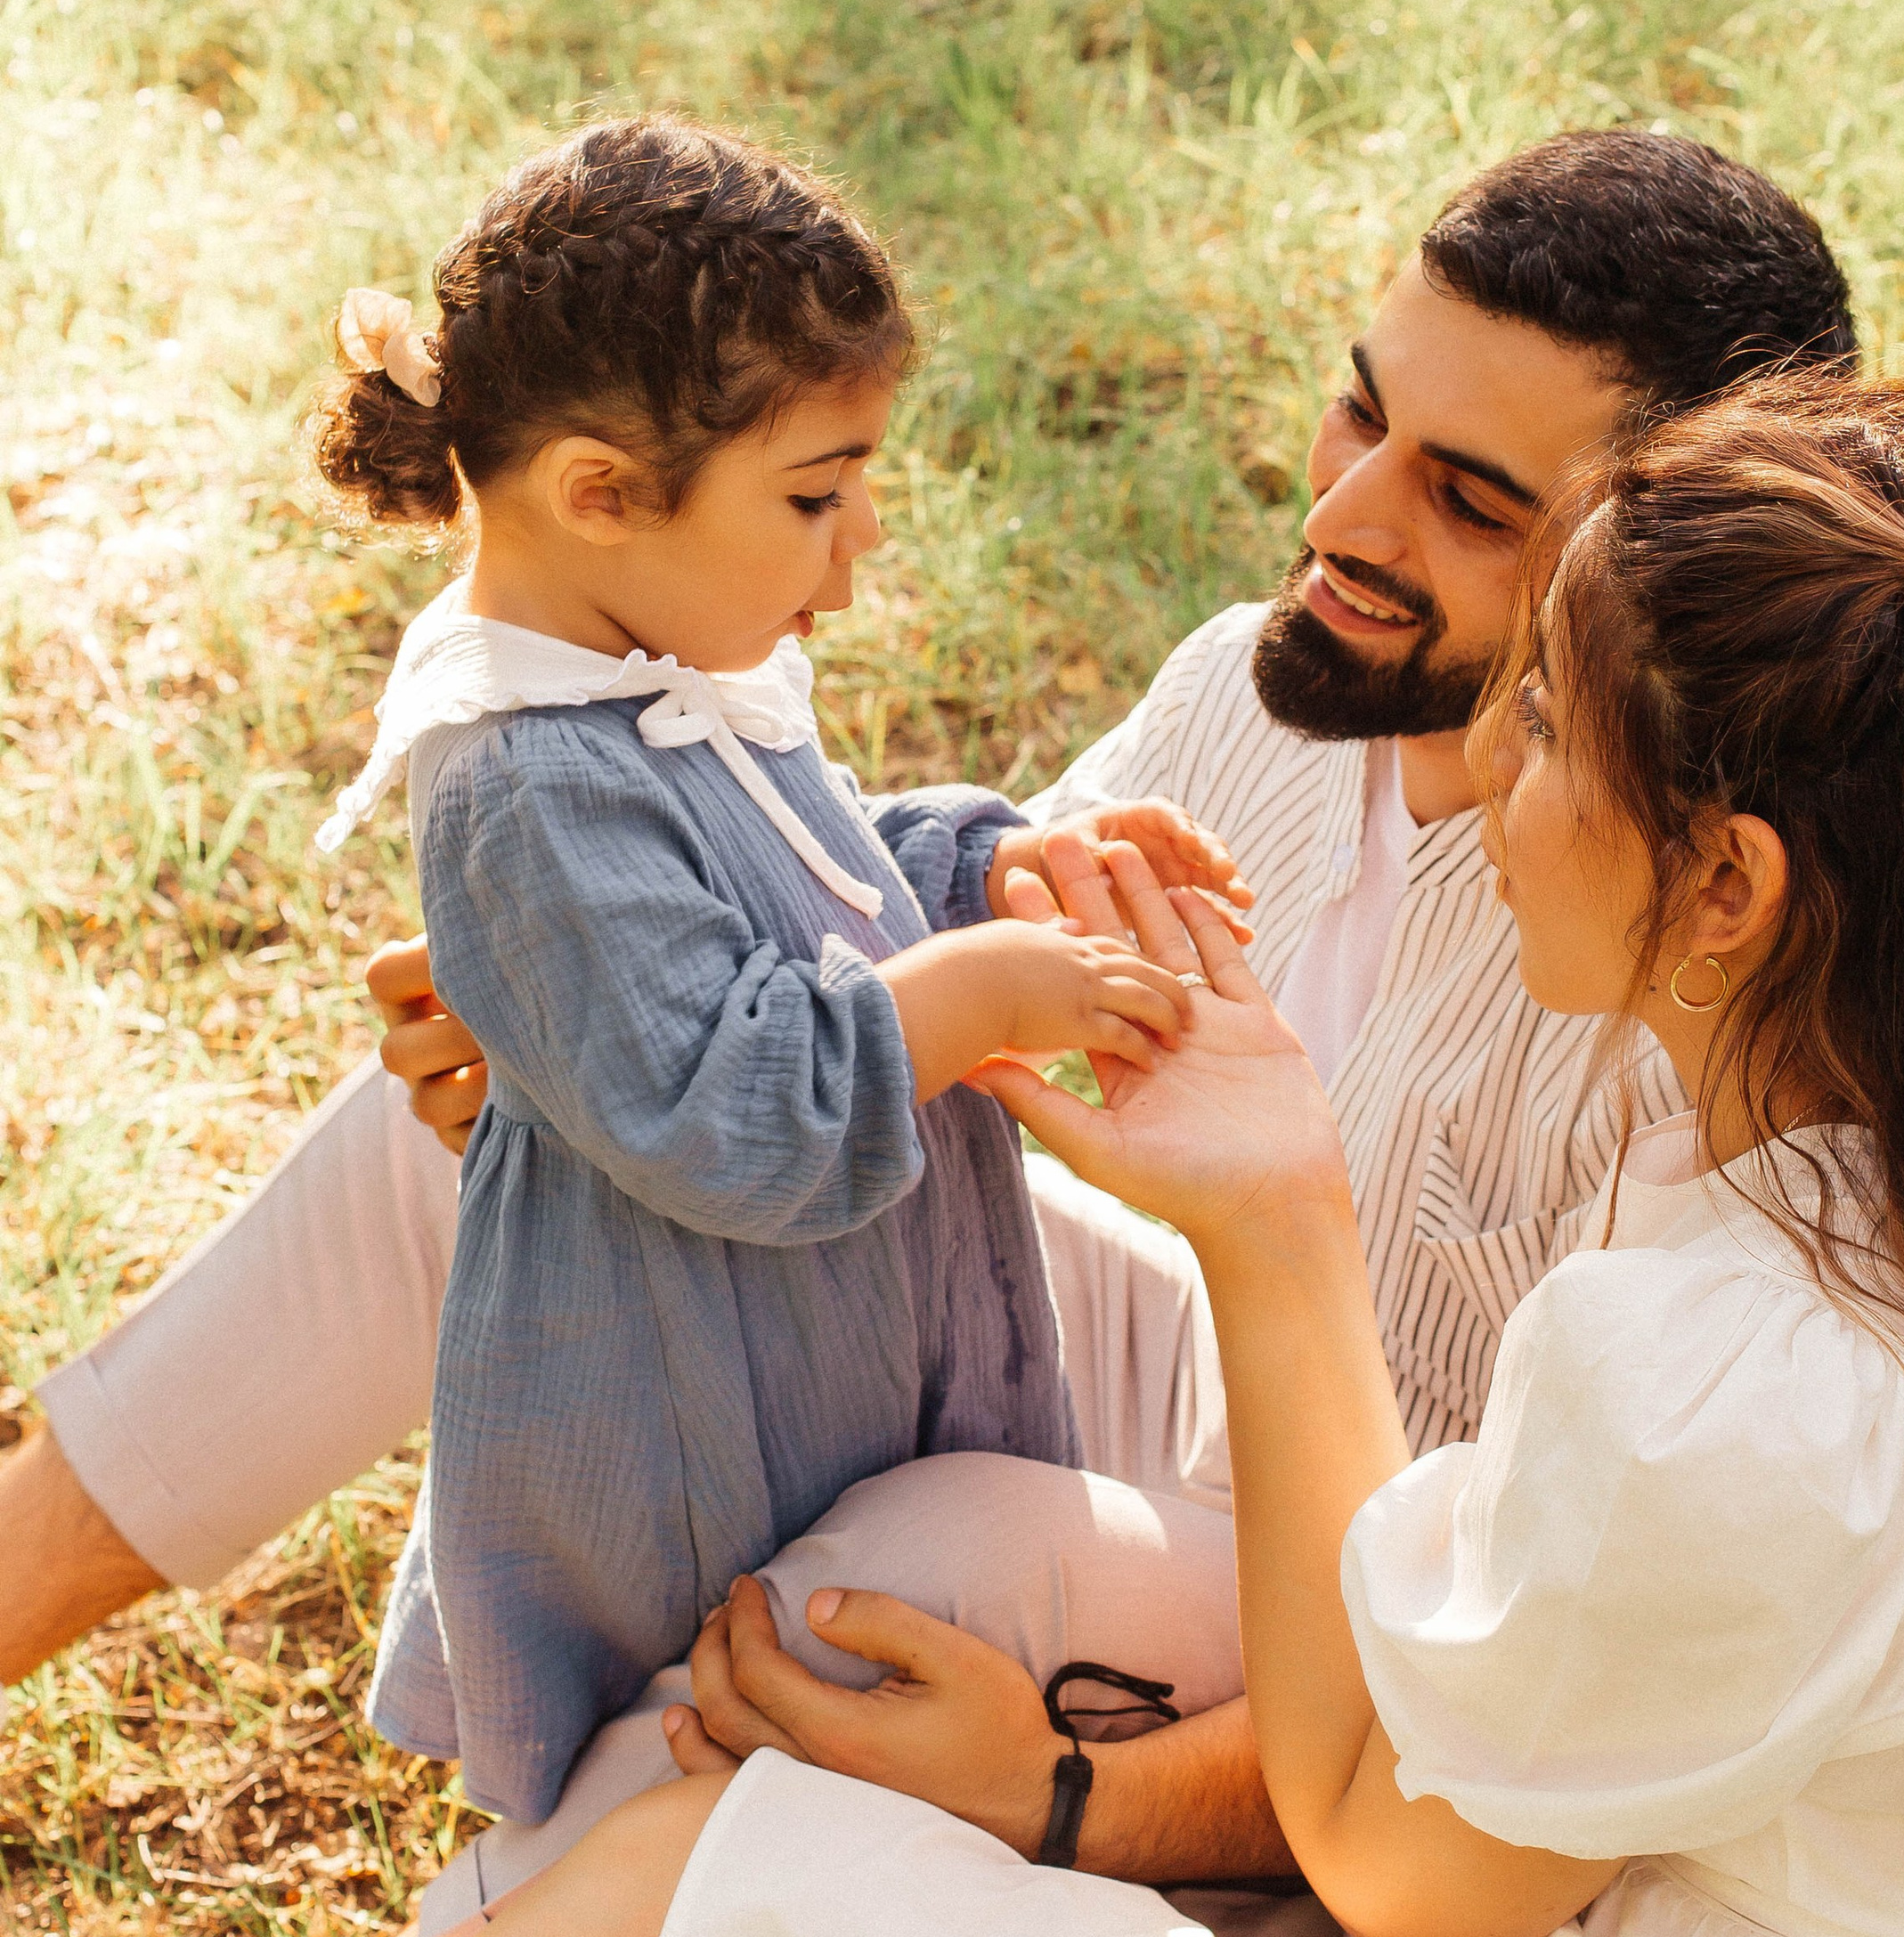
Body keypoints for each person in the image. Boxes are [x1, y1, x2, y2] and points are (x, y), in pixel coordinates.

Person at [8, 373, 1904, 1937]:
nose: (1487, 773)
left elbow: (1409, 1868)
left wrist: (1279, 1232)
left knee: (730, 1925)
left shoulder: (1724, 1373)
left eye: (1550, 722)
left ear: (1731, 886)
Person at [297, 115, 1233, 1828]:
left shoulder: (657, 664)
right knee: (704, 1733)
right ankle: (573, 1932)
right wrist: (981, 996)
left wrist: (972, 874)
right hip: (684, 1412)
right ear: (597, 494)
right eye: (815, 496)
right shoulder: (520, 779)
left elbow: (802, 886)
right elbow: (731, 1109)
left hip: (825, 1346)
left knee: (834, 1714)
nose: (859, 544)